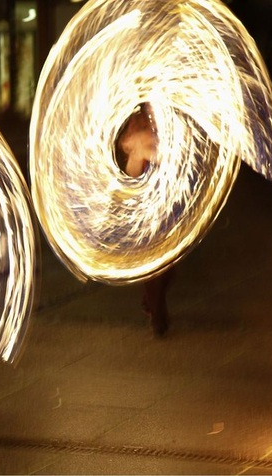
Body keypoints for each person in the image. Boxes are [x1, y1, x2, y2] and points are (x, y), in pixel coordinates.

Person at [115, 104, 175, 338]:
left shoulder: (157, 129)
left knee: (169, 270)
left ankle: (151, 305)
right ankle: (159, 318)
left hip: (163, 213)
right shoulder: (137, 135)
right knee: (154, 273)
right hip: (144, 217)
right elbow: (132, 176)